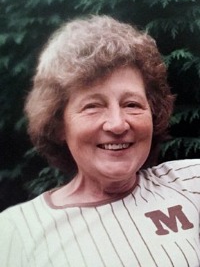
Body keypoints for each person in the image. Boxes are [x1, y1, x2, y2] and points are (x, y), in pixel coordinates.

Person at [0, 15, 199, 267]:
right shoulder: (17, 231)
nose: (117, 124)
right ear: (59, 125)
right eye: (92, 106)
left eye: (132, 104)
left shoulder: (190, 184)